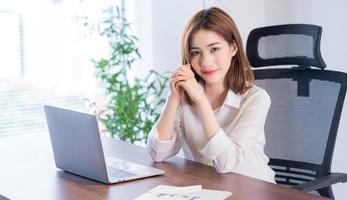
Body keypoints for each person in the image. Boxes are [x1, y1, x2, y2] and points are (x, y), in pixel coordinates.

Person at [146, 7, 275, 183]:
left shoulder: (256, 99)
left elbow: (226, 163)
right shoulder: (186, 95)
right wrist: (173, 97)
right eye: (196, 53)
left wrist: (201, 101)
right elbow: (157, 153)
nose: (205, 62)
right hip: (205, 188)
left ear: (233, 48)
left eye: (214, 49)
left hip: (251, 190)